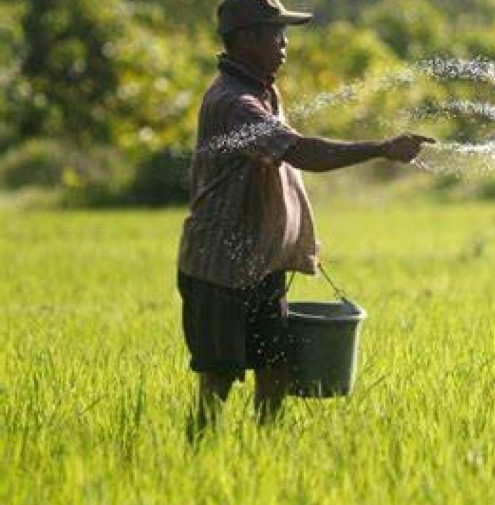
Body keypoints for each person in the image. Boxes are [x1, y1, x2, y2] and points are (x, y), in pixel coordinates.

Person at [177, 0, 434, 431]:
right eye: (276, 33)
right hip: (219, 266)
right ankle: (196, 460)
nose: (284, 43)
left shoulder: (262, 90)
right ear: (246, 39)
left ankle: (266, 458)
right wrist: (381, 149)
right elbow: (301, 152)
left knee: (276, 371)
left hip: (260, 261)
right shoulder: (234, 102)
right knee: (218, 378)